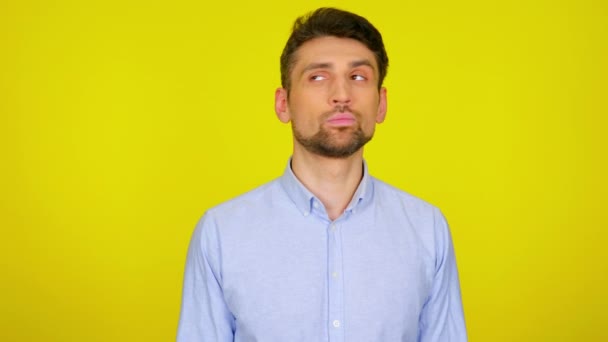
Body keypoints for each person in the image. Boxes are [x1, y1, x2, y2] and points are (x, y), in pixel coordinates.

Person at [177, 7, 467, 342]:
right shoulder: (220, 233)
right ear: (283, 103)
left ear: (381, 103)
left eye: (358, 77)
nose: (341, 95)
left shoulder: (427, 229)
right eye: (318, 77)